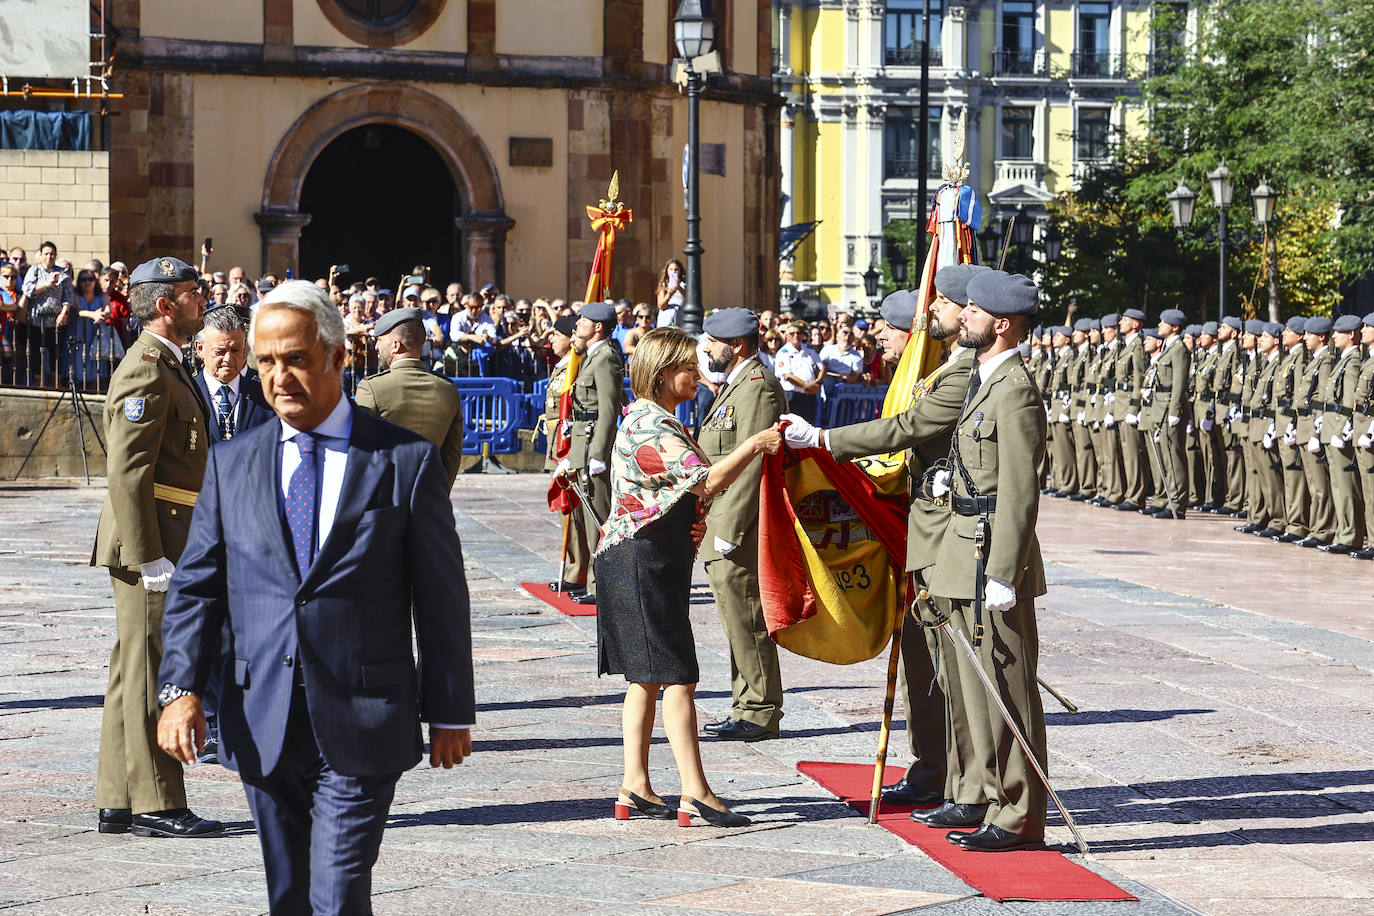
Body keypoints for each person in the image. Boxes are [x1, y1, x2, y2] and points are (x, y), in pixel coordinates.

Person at [156, 281, 475, 913]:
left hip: (364, 712)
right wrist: (179, 689)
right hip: (260, 714)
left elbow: (442, 595)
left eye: (295, 358)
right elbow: (198, 586)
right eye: (266, 361)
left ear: (336, 357)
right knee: (289, 897)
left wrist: (449, 709)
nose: (279, 377)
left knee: (338, 894)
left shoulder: (402, 462)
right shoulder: (231, 463)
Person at [783, 268, 984, 816]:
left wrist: (824, 441)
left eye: (893, 331)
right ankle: (933, 769)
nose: (887, 339)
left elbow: (905, 437)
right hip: (920, 538)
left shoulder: (955, 375)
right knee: (925, 662)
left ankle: (960, 780)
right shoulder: (930, 375)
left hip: (942, 541)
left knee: (949, 668)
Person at [595, 326, 781, 828]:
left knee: (647, 679)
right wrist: (755, 444)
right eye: (686, 368)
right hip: (643, 561)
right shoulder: (651, 425)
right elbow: (707, 480)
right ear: (660, 374)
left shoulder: (649, 417)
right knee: (678, 678)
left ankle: (634, 784)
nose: (697, 375)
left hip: (646, 557)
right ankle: (695, 791)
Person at [90, 256, 222, 840]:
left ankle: (118, 797)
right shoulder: (147, 368)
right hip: (152, 540)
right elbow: (128, 469)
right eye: (194, 294)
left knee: (131, 670)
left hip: (164, 533)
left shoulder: (168, 363)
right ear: (165, 305)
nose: (203, 301)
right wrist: (149, 556)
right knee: (152, 673)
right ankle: (158, 801)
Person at [925, 269, 1048, 853]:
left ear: (1001, 324)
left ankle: (1021, 813)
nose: (961, 317)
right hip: (968, 544)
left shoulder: (1015, 388)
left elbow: (1021, 490)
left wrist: (1006, 572)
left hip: (994, 557)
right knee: (982, 686)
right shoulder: (984, 380)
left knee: (1009, 686)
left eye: (971, 311)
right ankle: (997, 799)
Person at [696, 308, 789, 741]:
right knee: (735, 619)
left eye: (712, 341)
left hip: (740, 525)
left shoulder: (758, 388)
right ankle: (745, 703)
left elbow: (754, 463)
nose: (706, 348)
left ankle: (761, 710)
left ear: (736, 345)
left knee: (747, 617)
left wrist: (728, 530)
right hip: (721, 518)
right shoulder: (736, 385)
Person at [556, 301, 628, 605]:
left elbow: (610, 408)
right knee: (586, 516)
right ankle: (593, 582)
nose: (577, 327)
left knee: (598, 517)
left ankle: (602, 587)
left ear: (598, 327)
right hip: (583, 444)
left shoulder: (605, 357)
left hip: (594, 448)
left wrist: (599, 453)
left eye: (583, 322)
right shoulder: (592, 356)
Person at [354, 308, 466, 487]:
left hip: (383, 498)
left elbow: (359, 451)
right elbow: (452, 455)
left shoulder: (372, 387)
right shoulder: (447, 389)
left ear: (395, 345)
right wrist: (438, 495)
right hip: (429, 495)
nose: (376, 346)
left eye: (380, 340)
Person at [544, 315, 594, 595]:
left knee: (577, 512)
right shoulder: (564, 367)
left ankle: (579, 573)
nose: (551, 339)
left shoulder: (575, 369)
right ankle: (576, 569)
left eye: (556, 334)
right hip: (559, 445)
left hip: (572, 448)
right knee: (570, 513)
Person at [1318, 314, 1365, 554]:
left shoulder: (1354, 361)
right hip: (1330, 427)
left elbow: (1348, 400)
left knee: (1346, 486)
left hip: (1338, 428)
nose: (1333, 335)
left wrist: (1343, 427)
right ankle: (1342, 532)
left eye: (1339, 331)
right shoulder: (1343, 360)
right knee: (1337, 484)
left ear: (1351, 335)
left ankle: (1350, 535)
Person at [195, 306, 273, 445]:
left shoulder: (264, 395)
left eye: (235, 350)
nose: (228, 359)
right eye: (220, 352)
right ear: (200, 349)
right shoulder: (186, 393)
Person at [1140, 309, 1191, 518]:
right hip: (1160, 408)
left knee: (1173, 458)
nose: (1159, 325)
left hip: (1170, 407)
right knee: (1163, 457)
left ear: (1175, 327)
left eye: (1163, 322)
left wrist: (1175, 410)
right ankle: (1163, 499)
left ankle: (1177, 504)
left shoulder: (1179, 349)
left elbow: (1179, 382)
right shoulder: (1169, 348)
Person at [775, 322, 823, 423]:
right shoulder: (783, 352)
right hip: (793, 396)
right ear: (787, 335)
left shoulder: (809, 349)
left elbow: (822, 368)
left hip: (810, 395)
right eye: (792, 333)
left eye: (799, 333)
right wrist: (808, 385)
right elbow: (788, 376)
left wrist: (817, 383)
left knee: (809, 426)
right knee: (791, 428)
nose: (796, 336)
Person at [655, 259, 685, 327]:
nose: (673, 272)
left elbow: (689, 299)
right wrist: (669, 294)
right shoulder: (663, 285)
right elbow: (660, 306)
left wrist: (679, 287)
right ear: (667, 271)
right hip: (667, 317)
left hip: (680, 316)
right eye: (671, 269)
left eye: (676, 269)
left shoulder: (684, 285)